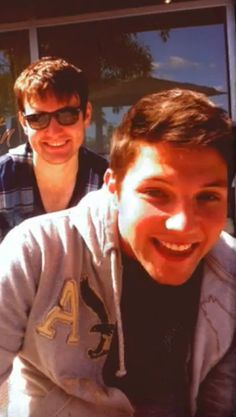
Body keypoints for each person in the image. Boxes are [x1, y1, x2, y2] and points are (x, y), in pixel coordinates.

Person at [0, 89, 235, 417]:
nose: (183, 225)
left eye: (207, 196)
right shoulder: (36, 252)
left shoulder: (229, 273)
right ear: (113, 186)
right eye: (156, 192)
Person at [0, 56, 108, 241]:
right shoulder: (3, 179)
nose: (54, 131)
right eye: (38, 118)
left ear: (87, 114)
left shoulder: (106, 182)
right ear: (23, 122)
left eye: (66, 115)